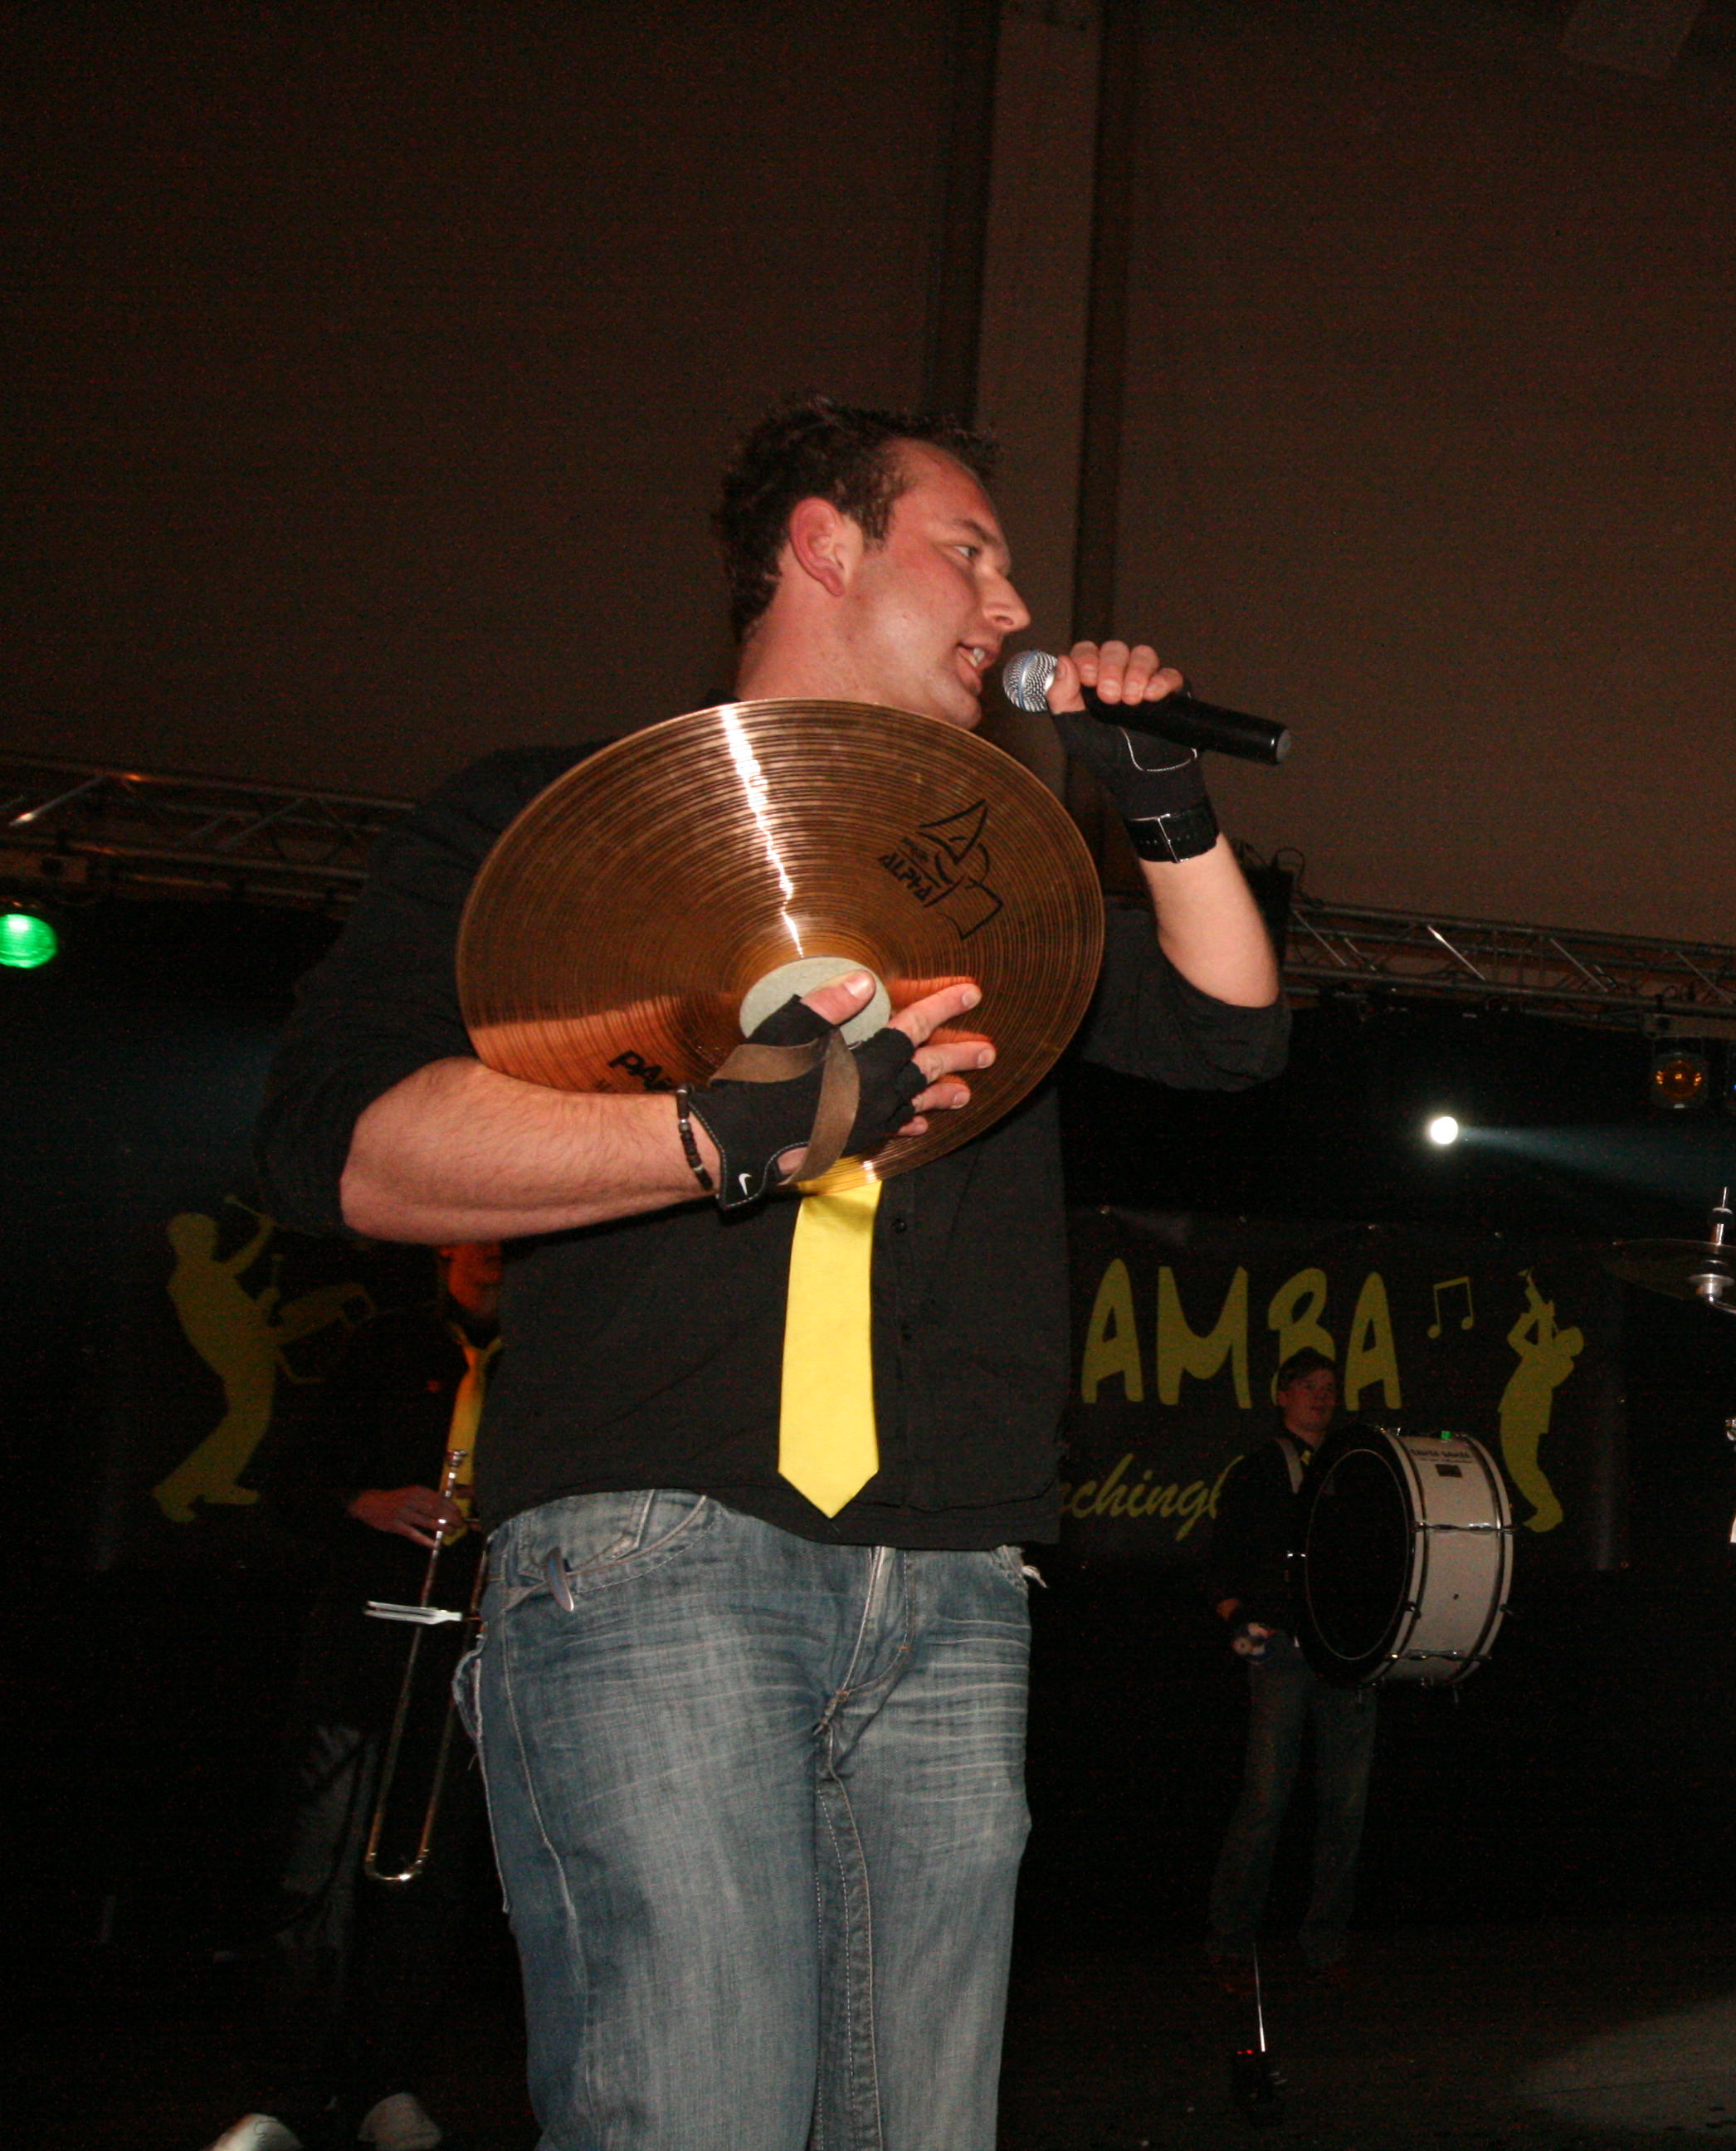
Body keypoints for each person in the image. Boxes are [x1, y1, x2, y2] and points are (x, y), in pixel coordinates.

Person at [251, 397, 1288, 2151]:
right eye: (970, 551)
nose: (1011, 607)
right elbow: (350, 1149)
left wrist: (1159, 797)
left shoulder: (987, 876)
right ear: (825, 545)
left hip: (953, 1573)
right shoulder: (548, 828)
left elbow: (1231, 1030)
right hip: (659, 1551)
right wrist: (730, 1130)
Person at [206, 1243, 505, 2151]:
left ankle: (389, 2084)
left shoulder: (548, 1349)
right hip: (364, 1630)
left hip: (473, 1638)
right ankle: (287, 2094)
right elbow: (288, 1479)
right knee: (318, 1864)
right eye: (479, 1230)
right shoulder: (383, 1345)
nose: (495, 1250)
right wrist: (364, 1502)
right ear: (448, 1239)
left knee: (426, 1871)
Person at [1200, 1350, 1378, 1984]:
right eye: (1308, 1387)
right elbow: (1221, 1567)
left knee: (1345, 1808)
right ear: (1282, 1395)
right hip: (1282, 1652)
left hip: (1347, 1655)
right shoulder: (1257, 1469)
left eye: (1330, 1387)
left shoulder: (1358, 1470)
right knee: (1265, 1800)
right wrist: (1247, 1636)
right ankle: (1229, 1942)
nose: (1321, 1397)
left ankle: (1327, 1942)